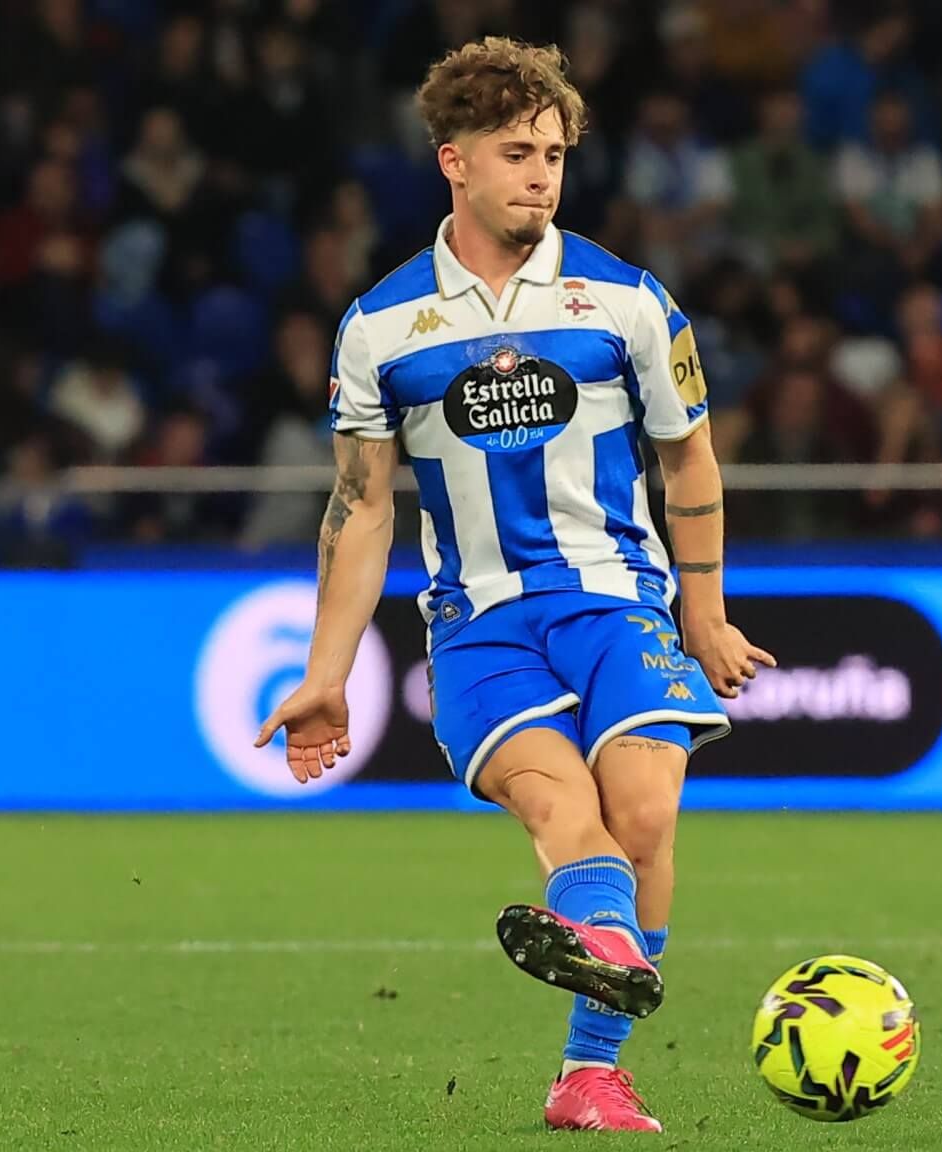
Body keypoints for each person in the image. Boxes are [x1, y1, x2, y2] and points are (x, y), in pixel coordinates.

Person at [251, 37, 773, 1134]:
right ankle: (603, 985)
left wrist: (706, 609)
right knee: (558, 811)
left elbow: (689, 457)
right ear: (454, 162)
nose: (541, 174)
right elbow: (360, 508)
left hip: (615, 601)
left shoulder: (625, 302)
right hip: (480, 627)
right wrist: (325, 674)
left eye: (553, 154)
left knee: (640, 815)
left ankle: (590, 1059)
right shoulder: (382, 328)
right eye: (516, 152)